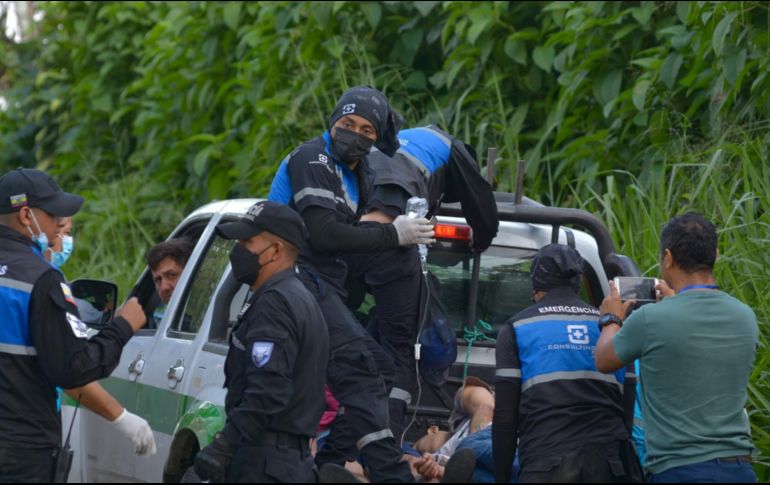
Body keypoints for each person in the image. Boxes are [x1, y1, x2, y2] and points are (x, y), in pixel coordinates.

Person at [268, 85, 431, 482]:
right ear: (332, 122)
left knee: (377, 366)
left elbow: (349, 243)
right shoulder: (314, 157)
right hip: (295, 277)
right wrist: (394, 235)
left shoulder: (360, 174)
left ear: (377, 137)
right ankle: (387, 474)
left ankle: (335, 465)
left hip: (323, 283)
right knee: (363, 368)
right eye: (346, 123)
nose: (354, 133)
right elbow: (323, 234)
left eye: (366, 130)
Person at [0, 168, 147, 482]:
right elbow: (73, 367)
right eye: (54, 215)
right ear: (26, 215)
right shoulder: (40, 279)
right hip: (20, 449)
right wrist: (122, 326)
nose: (59, 227)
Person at [595, 213, 759, 483]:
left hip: (680, 471)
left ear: (668, 257)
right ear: (716, 255)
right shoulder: (745, 316)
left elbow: (603, 359)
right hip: (739, 469)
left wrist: (611, 318)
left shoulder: (650, 319)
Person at [194, 201, 329, 482]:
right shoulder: (299, 298)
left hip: (265, 463)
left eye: (247, 241)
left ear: (276, 251)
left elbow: (268, 390)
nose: (238, 250)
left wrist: (224, 444)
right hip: (285, 461)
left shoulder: (274, 304)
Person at [493, 244, 641, 483]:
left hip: (546, 465)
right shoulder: (613, 328)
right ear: (578, 283)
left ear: (536, 286)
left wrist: (501, 479)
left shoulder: (517, 328)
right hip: (610, 466)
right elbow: (626, 413)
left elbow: (505, 419)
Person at [45, 216, 156, 457]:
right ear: (28, 220)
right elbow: (71, 368)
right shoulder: (44, 284)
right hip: (24, 433)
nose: (62, 239)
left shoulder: (29, 278)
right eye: (61, 228)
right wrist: (122, 417)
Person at [146, 237, 195, 326]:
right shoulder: (158, 317)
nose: (163, 287)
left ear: (193, 274)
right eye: (158, 280)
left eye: (171, 275)